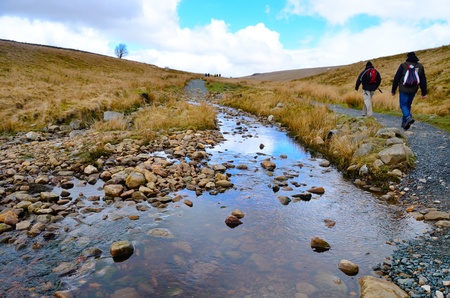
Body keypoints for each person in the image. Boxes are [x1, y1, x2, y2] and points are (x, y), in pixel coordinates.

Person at [391, 52, 427, 130]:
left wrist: (393, 90)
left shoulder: (403, 65)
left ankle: (408, 117)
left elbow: (396, 78)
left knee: (403, 105)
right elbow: (423, 80)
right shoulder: (420, 66)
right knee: (408, 105)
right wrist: (424, 92)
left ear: (408, 57)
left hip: (403, 89)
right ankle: (405, 123)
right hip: (413, 89)